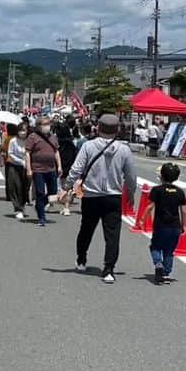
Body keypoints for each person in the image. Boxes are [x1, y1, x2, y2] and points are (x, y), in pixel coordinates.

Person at [67, 113, 137, 283]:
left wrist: (68, 185)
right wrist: (132, 193)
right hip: (113, 196)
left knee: (86, 229)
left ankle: (81, 259)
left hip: (91, 195)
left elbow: (77, 169)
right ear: (117, 130)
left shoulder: (89, 146)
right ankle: (108, 269)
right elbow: (131, 175)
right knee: (112, 234)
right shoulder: (124, 149)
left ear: (98, 127)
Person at [137, 162, 186, 284]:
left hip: (160, 225)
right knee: (169, 251)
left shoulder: (157, 190)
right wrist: (183, 225)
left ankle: (158, 264)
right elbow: (184, 211)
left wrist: (142, 220)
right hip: (175, 226)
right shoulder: (180, 192)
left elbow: (150, 207)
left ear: (161, 176)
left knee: (155, 246)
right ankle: (167, 273)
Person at [25, 115, 63, 226]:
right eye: (44, 124)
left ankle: (39, 205)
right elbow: (27, 153)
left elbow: (56, 151)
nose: (47, 126)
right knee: (40, 192)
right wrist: (29, 168)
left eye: (48, 124)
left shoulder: (53, 137)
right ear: (38, 126)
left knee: (53, 192)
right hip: (38, 169)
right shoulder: (33, 137)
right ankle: (41, 217)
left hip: (51, 168)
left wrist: (59, 166)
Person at [56, 117, 80, 217]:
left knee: (62, 187)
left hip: (60, 167)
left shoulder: (58, 144)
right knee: (68, 188)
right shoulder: (71, 143)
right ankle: (66, 208)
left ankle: (62, 204)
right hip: (70, 167)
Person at [5, 124, 29, 220]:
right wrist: (20, 161)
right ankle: (17, 208)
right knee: (14, 186)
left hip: (26, 166)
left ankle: (22, 204)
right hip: (14, 165)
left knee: (24, 187)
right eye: (21, 130)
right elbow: (10, 153)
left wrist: (27, 163)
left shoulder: (29, 141)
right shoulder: (13, 141)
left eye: (25, 130)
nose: (23, 132)